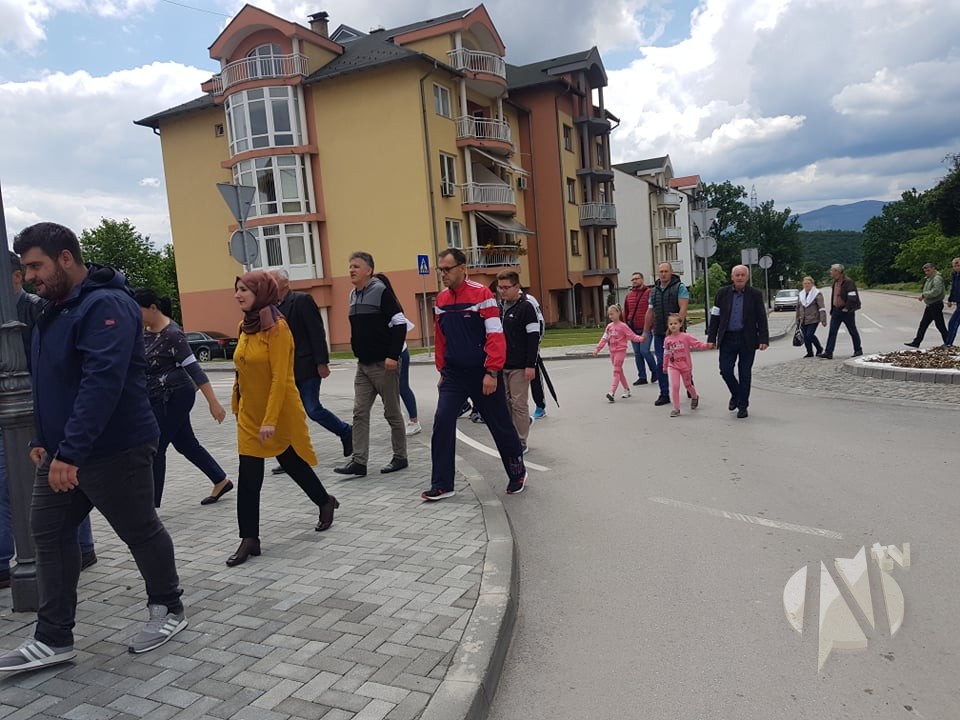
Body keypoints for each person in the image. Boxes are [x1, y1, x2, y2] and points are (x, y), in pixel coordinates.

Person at [0, 222, 187, 673]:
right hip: (65, 451)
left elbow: (101, 382)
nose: (29, 276)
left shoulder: (106, 305)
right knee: (48, 533)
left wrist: (70, 452)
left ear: (66, 258)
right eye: (25, 268)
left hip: (115, 448)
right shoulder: (56, 308)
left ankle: (168, 607)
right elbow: (50, 381)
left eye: (36, 266)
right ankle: (53, 638)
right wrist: (43, 439)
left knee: (138, 529)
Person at [227, 271, 339, 568]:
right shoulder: (244, 326)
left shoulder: (278, 329)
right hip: (250, 414)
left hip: (276, 412)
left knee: (292, 463)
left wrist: (270, 420)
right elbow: (241, 371)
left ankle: (324, 501)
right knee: (249, 477)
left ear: (261, 292)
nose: (238, 295)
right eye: (237, 289)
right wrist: (237, 405)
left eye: (244, 290)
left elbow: (281, 377)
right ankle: (249, 538)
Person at [1, 253, 97, 590]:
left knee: (62, 483)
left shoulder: (37, 308)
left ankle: (82, 548)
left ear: (14, 277)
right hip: (16, 411)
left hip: (39, 411)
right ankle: (7, 559)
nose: (30, 276)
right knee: (12, 485)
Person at [422, 248, 526, 500]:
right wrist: (442, 371)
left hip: (483, 374)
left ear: (462, 267)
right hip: (453, 376)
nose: (443, 274)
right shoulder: (441, 300)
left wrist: (492, 371)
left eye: (447, 269)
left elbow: (495, 335)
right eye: (440, 270)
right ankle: (442, 484)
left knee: (500, 425)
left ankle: (517, 472)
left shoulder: (482, 295)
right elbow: (441, 339)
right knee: (442, 421)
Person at [133, 289, 232, 506]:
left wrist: (214, 403)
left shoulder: (172, 334)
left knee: (155, 447)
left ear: (153, 308)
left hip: (175, 396)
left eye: (138, 311)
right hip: (157, 397)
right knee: (185, 443)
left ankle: (150, 507)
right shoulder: (144, 332)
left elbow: (195, 369)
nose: (135, 316)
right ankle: (220, 480)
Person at [269, 269, 352, 476]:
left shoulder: (302, 300)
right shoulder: (272, 307)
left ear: (285, 282)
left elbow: (316, 331)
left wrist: (322, 362)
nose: (270, 283)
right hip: (286, 370)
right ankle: (292, 456)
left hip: (306, 367)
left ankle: (346, 431)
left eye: (273, 280)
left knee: (312, 409)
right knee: (288, 414)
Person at [334, 253, 408, 476]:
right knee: (359, 412)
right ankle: (359, 461)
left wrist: (393, 355)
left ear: (369, 270)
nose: (351, 270)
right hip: (363, 366)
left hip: (384, 365)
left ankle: (400, 457)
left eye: (356, 266)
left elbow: (400, 323)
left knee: (392, 412)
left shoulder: (381, 291)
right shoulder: (353, 295)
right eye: (350, 266)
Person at [707, 264, 769, 419]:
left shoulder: (755, 294)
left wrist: (763, 338)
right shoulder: (722, 293)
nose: (740, 277)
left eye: (743, 275)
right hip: (727, 338)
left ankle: (743, 406)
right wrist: (711, 338)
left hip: (747, 338)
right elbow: (715, 316)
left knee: (745, 372)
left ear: (747, 277)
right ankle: (736, 394)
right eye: (737, 275)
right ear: (732, 277)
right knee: (725, 370)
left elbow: (761, 317)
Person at [373, 273, 421, 436]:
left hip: (399, 353)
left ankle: (414, 421)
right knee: (389, 391)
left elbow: (400, 329)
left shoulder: (391, 304)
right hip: (385, 355)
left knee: (402, 387)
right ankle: (398, 422)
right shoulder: (374, 305)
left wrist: (393, 354)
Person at [497, 271, 539, 452]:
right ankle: (511, 435)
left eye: (506, 287)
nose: (502, 291)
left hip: (520, 365)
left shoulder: (526, 307)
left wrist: (531, 364)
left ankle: (521, 441)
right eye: (499, 287)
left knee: (519, 403)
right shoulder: (499, 307)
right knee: (505, 403)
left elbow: (533, 337)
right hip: (501, 364)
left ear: (517, 287)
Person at [640, 262, 689, 406]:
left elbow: (683, 308)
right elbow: (650, 312)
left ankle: (689, 385)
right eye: (661, 271)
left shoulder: (680, 287)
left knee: (682, 362)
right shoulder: (653, 291)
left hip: (676, 334)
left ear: (671, 272)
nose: (663, 274)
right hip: (659, 333)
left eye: (666, 271)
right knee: (661, 363)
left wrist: (677, 328)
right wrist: (645, 331)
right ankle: (664, 394)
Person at [662, 313, 713, 417]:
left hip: (685, 366)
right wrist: (665, 365)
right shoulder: (667, 340)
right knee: (675, 386)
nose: (673, 326)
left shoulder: (685, 337)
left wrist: (706, 345)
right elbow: (666, 353)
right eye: (671, 324)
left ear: (680, 324)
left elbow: (696, 344)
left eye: (675, 323)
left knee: (688, 385)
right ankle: (676, 409)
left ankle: (694, 396)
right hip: (674, 366)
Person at [593, 304, 642, 402]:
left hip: (620, 351)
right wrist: (597, 349)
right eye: (609, 314)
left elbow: (632, 336)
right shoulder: (609, 327)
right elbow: (604, 338)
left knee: (616, 371)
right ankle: (627, 389)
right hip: (612, 352)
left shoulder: (623, 326)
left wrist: (641, 338)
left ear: (618, 313)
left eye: (612, 314)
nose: (610, 316)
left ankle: (612, 392)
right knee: (619, 371)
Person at [820, 263, 862, 359]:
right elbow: (834, 297)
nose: (830, 272)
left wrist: (846, 308)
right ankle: (828, 352)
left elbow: (852, 297)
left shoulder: (848, 282)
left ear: (837, 271)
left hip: (846, 311)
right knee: (832, 331)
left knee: (852, 331)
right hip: (836, 310)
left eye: (831, 270)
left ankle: (858, 350)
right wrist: (832, 309)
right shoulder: (835, 282)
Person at [623, 272, 657, 385]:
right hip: (633, 329)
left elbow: (653, 310)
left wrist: (653, 326)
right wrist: (625, 328)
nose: (634, 281)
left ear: (642, 279)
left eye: (637, 278)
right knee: (637, 353)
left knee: (644, 351)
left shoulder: (649, 293)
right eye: (633, 279)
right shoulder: (629, 295)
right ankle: (642, 376)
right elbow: (626, 312)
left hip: (645, 328)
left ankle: (655, 371)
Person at [904, 262, 948, 348]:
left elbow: (937, 291)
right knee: (923, 324)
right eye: (925, 271)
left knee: (940, 325)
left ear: (933, 269)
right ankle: (916, 342)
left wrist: (924, 295)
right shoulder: (930, 278)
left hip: (936, 304)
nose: (927, 272)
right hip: (930, 305)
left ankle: (948, 342)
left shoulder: (936, 278)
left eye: (928, 270)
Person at [524, 291, 548, 419]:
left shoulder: (529, 300)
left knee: (535, 377)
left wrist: (537, 343)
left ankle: (540, 406)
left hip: (529, 347)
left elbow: (540, 321)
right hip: (511, 350)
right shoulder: (502, 303)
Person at [795, 276, 826, 357]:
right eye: (805, 283)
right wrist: (797, 318)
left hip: (813, 318)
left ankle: (819, 348)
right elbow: (798, 307)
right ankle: (809, 352)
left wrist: (823, 319)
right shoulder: (801, 294)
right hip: (803, 319)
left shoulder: (817, 293)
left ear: (812, 284)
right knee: (805, 337)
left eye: (808, 283)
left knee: (810, 335)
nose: (806, 285)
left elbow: (821, 307)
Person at [945, 257, 960, 347]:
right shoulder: (955, 275)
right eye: (955, 266)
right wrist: (950, 299)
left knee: (953, 323)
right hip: (958, 302)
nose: (957, 267)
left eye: (959, 265)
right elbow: (954, 288)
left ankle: (948, 343)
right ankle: (948, 343)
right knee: (954, 322)